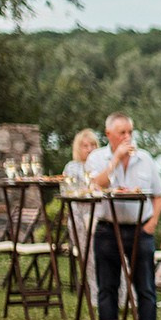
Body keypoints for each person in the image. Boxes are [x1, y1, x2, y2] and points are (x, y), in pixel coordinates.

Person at [83, 111, 161, 320]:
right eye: (122, 133)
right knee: (108, 286)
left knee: (146, 286)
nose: (127, 137)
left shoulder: (145, 159)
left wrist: (152, 223)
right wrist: (116, 160)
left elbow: (158, 195)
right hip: (109, 229)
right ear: (109, 134)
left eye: (130, 132)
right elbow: (95, 186)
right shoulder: (97, 158)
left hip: (141, 228)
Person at [62, 128, 100, 304]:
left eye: (93, 145)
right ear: (78, 148)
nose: (89, 149)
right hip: (79, 217)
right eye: (85, 146)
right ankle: (95, 295)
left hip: (100, 216)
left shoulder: (102, 166)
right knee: (88, 258)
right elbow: (67, 192)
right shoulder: (72, 167)